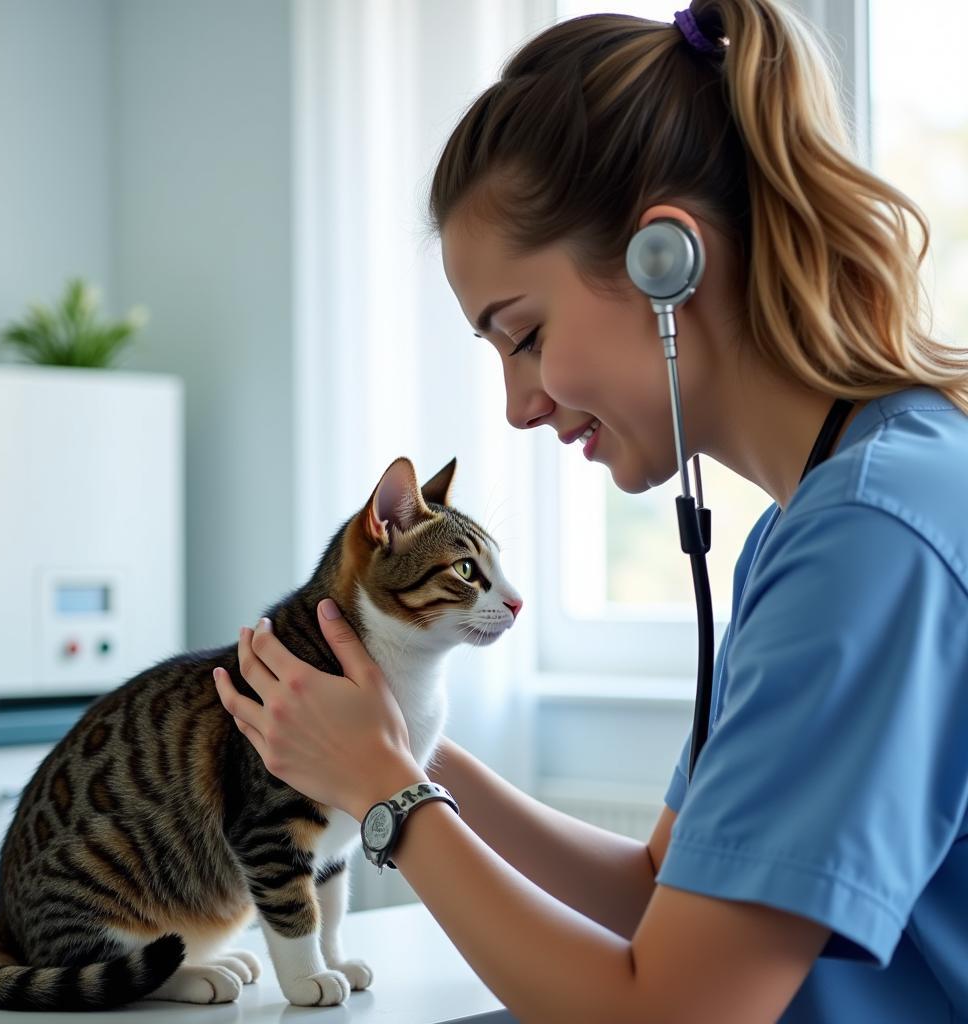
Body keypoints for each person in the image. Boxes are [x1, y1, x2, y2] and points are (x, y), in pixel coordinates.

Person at [213, 1, 968, 1020]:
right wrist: (404, 749)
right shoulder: (820, 523)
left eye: (520, 335)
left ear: (669, 262)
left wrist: (392, 800)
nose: (519, 405)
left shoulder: (868, 542)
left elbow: (668, 1009)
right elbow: (659, 888)